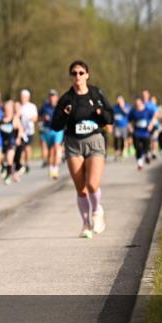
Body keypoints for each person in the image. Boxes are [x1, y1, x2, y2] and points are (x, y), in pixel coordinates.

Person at [52, 60, 114, 239]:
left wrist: (100, 113)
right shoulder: (66, 99)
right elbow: (55, 125)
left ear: (87, 75)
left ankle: (97, 210)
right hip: (73, 144)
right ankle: (86, 224)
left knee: (92, 184)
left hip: (94, 141)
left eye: (81, 73)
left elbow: (111, 117)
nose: (77, 76)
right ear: (70, 77)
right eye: (74, 73)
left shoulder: (96, 94)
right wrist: (64, 114)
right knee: (81, 189)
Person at [39, 89, 65, 179]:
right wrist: (43, 118)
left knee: (56, 148)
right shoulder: (45, 106)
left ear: (57, 97)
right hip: (47, 130)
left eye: (53, 97)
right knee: (51, 151)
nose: (52, 98)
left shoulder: (61, 106)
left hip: (57, 130)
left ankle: (56, 169)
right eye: (50, 97)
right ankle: (51, 168)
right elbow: (39, 117)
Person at [128, 96, 157, 171]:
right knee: (137, 148)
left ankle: (147, 155)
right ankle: (140, 163)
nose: (138, 104)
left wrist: (151, 125)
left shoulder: (147, 110)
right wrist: (130, 127)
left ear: (142, 103)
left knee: (146, 148)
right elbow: (129, 120)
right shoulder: (133, 111)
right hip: (136, 132)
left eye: (139, 103)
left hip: (145, 132)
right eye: (136, 103)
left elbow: (155, 116)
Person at [0, 100, 24, 183]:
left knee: (10, 159)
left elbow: (20, 129)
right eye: (5, 109)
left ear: (12, 110)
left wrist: (18, 138)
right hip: (2, 143)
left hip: (11, 141)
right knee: (2, 160)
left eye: (9, 109)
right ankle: (7, 170)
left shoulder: (14, 119)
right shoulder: (1, 118)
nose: (7, 111)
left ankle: (8, 176)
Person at [17, 89, 38, 172]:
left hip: (29, 130)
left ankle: (27, 163)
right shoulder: (19, 106)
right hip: (20, 131)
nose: (23, 98)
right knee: (21, 147)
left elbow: (35, 118)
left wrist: (30, 119)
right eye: (22, 97)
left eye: (24, 97)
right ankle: (21, 164)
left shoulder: (32, 106)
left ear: (28, 97)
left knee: (27, 148)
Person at [112, 95, 130, 161]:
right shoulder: (115, 107)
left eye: (119, 100)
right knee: (116, 138)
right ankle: (116, 152)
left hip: (124, 126)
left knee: (123, 139)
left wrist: (122, 107)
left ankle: (122, 152)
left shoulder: (127, 105)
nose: (118, 101)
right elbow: (112, 115)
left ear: (122, 100)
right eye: (117, 100)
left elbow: (127, 113)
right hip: (116, 126)